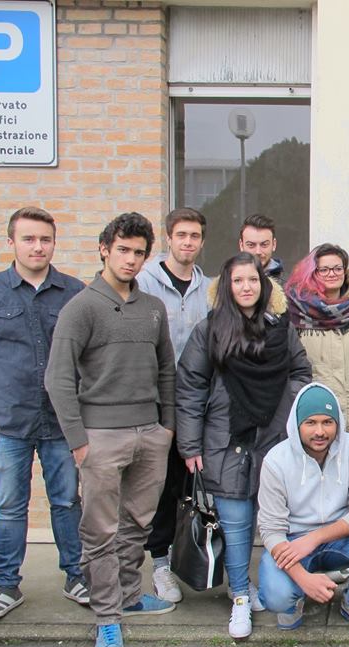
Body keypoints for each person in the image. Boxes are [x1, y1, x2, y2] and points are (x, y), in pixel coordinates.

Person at [45, 212, 176, 647]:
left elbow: (167, 371)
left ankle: (130, 596)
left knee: (137, 523)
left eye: (139, 252)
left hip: (150, 433)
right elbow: (58, 378)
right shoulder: (81, 308)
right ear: (104, 249)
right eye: (123, 250)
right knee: (100, 531)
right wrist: (78, 440)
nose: (131, 259)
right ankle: (106, 617)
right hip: (100, 435)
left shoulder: (153, 307)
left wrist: (166, 427)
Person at [176, 252, 312, 640]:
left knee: (265, 523)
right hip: (225, 441)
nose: (246, 287)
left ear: (263, 285)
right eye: (238, 281)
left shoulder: (281, 329)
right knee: (235, 524)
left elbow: (301, 372)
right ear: (227, 287)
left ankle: (257, 585)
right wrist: (190, 445)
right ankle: (239, 595)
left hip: (271, 440)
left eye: (253, 280)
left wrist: (280, 402)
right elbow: (190, 388)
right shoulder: (210, 330)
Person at [0, 207, 87, 621]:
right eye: (28, 239)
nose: (37, 247)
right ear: (11, 242)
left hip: (60, 420)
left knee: (66, 500)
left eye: (45, 239)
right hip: (7, 420)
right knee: (11, 505)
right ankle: (4, 584)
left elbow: (87, 357)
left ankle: (77, 576)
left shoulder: (74, 293)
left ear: (54, 243)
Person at [256, 383, 349, 638]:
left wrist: (315, 538)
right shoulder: (276, 461)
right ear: (297, 425)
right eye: (311, 423)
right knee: (276, 595)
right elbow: (271, 531)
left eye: (328, 422)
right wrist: (303, 578)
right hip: (293, 541)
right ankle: (293, 601)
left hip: (340, 537)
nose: (320, 431)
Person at [137, 207, 212, 604]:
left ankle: (189, 558)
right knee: (160, 486)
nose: (188, 242)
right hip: (155, 402)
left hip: (195, 403)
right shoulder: (144, 281)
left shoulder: (208, 288)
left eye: (194, 236)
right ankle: (160, 564)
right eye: (181, 234)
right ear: (168, 237)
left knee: (189, 485)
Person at [286, 244, 349, 439]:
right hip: (315, 417)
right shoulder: (298, 315)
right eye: (324, 269)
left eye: (337, 268)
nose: (332, 274)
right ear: (313, 273)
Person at [239, 213, 284, 281]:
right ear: (241, 245)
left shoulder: (290, 284)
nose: (258, 252)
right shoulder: (227, 281)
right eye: (251, 245)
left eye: (264, 244)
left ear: (274, 244)